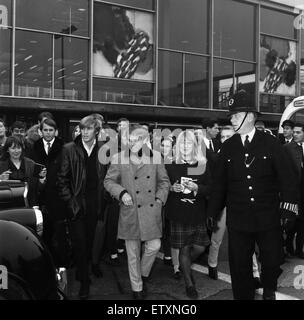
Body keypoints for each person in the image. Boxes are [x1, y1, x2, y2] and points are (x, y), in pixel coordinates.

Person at [207, 89, 298, 300]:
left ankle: (268, 290)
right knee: (239, 265)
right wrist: (213, 210)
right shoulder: (227, 147)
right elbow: (220, 183)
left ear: (250, 116)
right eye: (231, 115)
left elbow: (288, 179)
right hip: (239, 219)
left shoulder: (271, 144)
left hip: (268, 217)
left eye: (235, 115)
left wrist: (288, 209)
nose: (231, 119)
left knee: (271, 260)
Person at [104, 124, 170, 300]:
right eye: (130, 140)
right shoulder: (119, 157)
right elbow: (109, 182)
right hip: (130, 210)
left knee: (154, 246)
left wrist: (159, 200)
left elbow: (164, 182)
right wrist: (122, 192)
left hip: (150, 210)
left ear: (146, 140)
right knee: (132, 253)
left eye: (137, 140)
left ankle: (142, 274)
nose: (132, 143)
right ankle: (137, 287)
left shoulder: (156, 157)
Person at [57, 115, 107, 300]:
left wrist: (105, 200)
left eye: (89, 129)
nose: (85, 132)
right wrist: (71, 203)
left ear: (96, 131)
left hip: (95, 204)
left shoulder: (103, 150)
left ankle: (82, 269)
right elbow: (61, 180)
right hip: (76, 205)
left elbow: (106, 177)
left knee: (89, 241)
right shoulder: (69, 149)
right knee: (79, 242)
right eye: (82, 128)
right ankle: (84, 283)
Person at [207, 126, 262, 289]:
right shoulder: (215, 158)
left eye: (229, 136)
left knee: (248, 238)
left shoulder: (247, 155)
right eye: (222, 137)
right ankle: (212, 264)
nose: (225, 140)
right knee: (217, 237)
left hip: (242, 204)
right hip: (223, 204)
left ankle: (255, 273)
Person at [165, 130, 211, 299]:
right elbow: (162, 185)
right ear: (177, 146)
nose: (185, 146)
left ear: (194, 145)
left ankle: (185, 265)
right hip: (178, 213)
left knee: (200, 247)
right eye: (182, 144)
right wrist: (171, 188)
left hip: (198, 213)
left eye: (189, 143)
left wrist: (198, 188)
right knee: (184, 249)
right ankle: (188, 283)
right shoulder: (171, 164)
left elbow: (211, 188)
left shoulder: (202, 165)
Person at [32, 118, 65, 264]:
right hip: (40, 197)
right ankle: (45, 261)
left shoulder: (63, 147)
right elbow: (31, 171)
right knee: (42, 232)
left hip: (58, 196)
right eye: (45, 130)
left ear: (56, 131)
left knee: (59, 233)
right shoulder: (34, 146)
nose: (48, 133)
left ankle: (61, 262)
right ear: (40, 131)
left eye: (51, 130)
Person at [0, 136, 42, 207]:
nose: (16, 151)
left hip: (28, 203)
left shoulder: (31, 163)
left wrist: (42, 181)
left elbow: (37, 188)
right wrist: (1, 180)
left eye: (19, 148)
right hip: (7, 205)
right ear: (7, 150)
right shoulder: (1, 165)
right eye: (13, 148)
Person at [284, 123, 304, 259]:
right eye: (294, 132)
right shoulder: (287, 148)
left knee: (302, 223)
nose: (294, 134)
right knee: (291, 221)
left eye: (298, 132)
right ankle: (288, 246)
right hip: (293, 192)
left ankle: (299, 249)